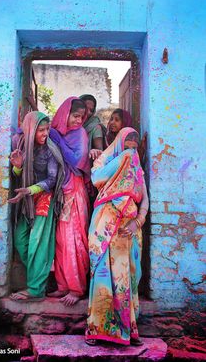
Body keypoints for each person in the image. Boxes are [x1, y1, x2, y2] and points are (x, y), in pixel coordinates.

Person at [85, 127, 149, 346]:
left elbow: (144, 201)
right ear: (120, 144)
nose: (131, 152)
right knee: (103, 278)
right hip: (104, 226)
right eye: (127, 147)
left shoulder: (136, 167)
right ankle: (97, 329)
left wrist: (137, 222)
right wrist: (123, 158)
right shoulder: (108, 163)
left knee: (126, 280)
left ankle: (128, 328)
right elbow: (96, 178)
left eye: (134, 147)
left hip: (127, 231)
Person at [9, 111, 65, 302]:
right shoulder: (22, 145)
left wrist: (31, 190)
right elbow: (18, 174)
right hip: (27, 200)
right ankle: (41, 278)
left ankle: (35, 290)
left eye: (47, 129)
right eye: (41, 130)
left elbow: (52, 179)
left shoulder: (50, 149)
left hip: (44, 198)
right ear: (30, 129)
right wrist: (18, 166)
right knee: (21, 240)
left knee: (37, 244)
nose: (45, 134)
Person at [47, 97, 90, 306]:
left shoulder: (80, 135)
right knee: (61, 239)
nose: (78, 121)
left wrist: (58, 140)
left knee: (74, 238)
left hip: (74, 190)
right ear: (65, 114)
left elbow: (76, 161)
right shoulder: (57, 133)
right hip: (60, 191)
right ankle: (62, 285)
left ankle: (77, 287)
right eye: (75, 116)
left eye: (82, 117)